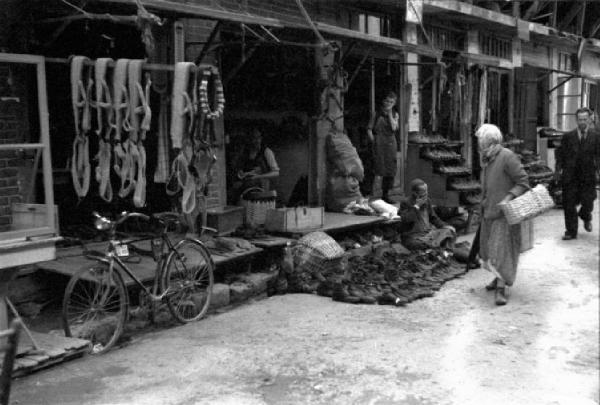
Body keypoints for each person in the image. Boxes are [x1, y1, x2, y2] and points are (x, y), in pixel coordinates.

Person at [476, 124, 529, 306]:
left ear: (489, 141)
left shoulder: (507, 156)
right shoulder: (487, 159)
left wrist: (509, 197)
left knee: (501, 251)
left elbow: (523, 181)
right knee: (489, 250)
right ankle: (497, 278)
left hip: (504, 214)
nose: (479, 145)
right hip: (489, 210)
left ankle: (501, 288)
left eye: (480, 142)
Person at [555, 107, 600, 240]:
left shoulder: (596, 137)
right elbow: (560, 155)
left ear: (590, 120)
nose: (582, 122)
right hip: (570, 176)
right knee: (568, 204)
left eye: (585, 119)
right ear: (576, 120)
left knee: (588, 201)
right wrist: (558, 171)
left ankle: (585, 216)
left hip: (588, 176)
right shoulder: (568, 137)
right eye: (580, 119)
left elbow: (598, 156)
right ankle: (571, 231)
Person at [399, 178, 456, 251]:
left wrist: (445, 226)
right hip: (413, 236)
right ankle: (437, 247)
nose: (426, 194)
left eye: (427, 191)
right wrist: (417, 206)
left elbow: (433, 218)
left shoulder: (427, 200)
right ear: (415, 193)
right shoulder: (405, 202)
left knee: (450, 231)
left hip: (428, 233)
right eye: (423, 192)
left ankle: (439, 248)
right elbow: (406, 219)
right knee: (418, 244)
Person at [230, 128, 279, 203]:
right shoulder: (245, 153)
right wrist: (241, 174)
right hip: (248, 189)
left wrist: (258, 176)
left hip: (263, 189)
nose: (256, 141)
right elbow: (240, 168)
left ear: (261, 139)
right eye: (253, 138)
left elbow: (276, 173)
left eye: (258, 138)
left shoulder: (266, 152)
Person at [368, 91, 400, 203]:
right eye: (387, 101)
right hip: (378, 142)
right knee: (377, 167)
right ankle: (370, 194)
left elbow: (394, 128)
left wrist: (390, 113)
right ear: (383, 101)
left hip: (390, 143)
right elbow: (369, 129)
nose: (389, 103)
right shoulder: (376, 113)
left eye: (392, 102)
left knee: (390, 169)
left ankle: (385, 195)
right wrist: (374, 141)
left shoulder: (395, 114)